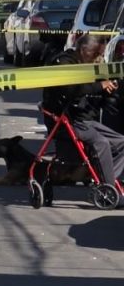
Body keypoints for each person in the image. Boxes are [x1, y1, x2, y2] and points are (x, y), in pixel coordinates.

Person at [44, 34, 124, 186]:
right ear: (82, 49)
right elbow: (70, 90)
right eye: (95, 54)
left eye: (100, 55)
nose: (98, 58)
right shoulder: (64, 63)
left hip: (83, 118)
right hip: (65, 119)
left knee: (122, 142)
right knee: (102, 143)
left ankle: (108, 178)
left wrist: (108, 90)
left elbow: (95, 93)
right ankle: (107, 185)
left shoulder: (90, 65)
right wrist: (100, 85)